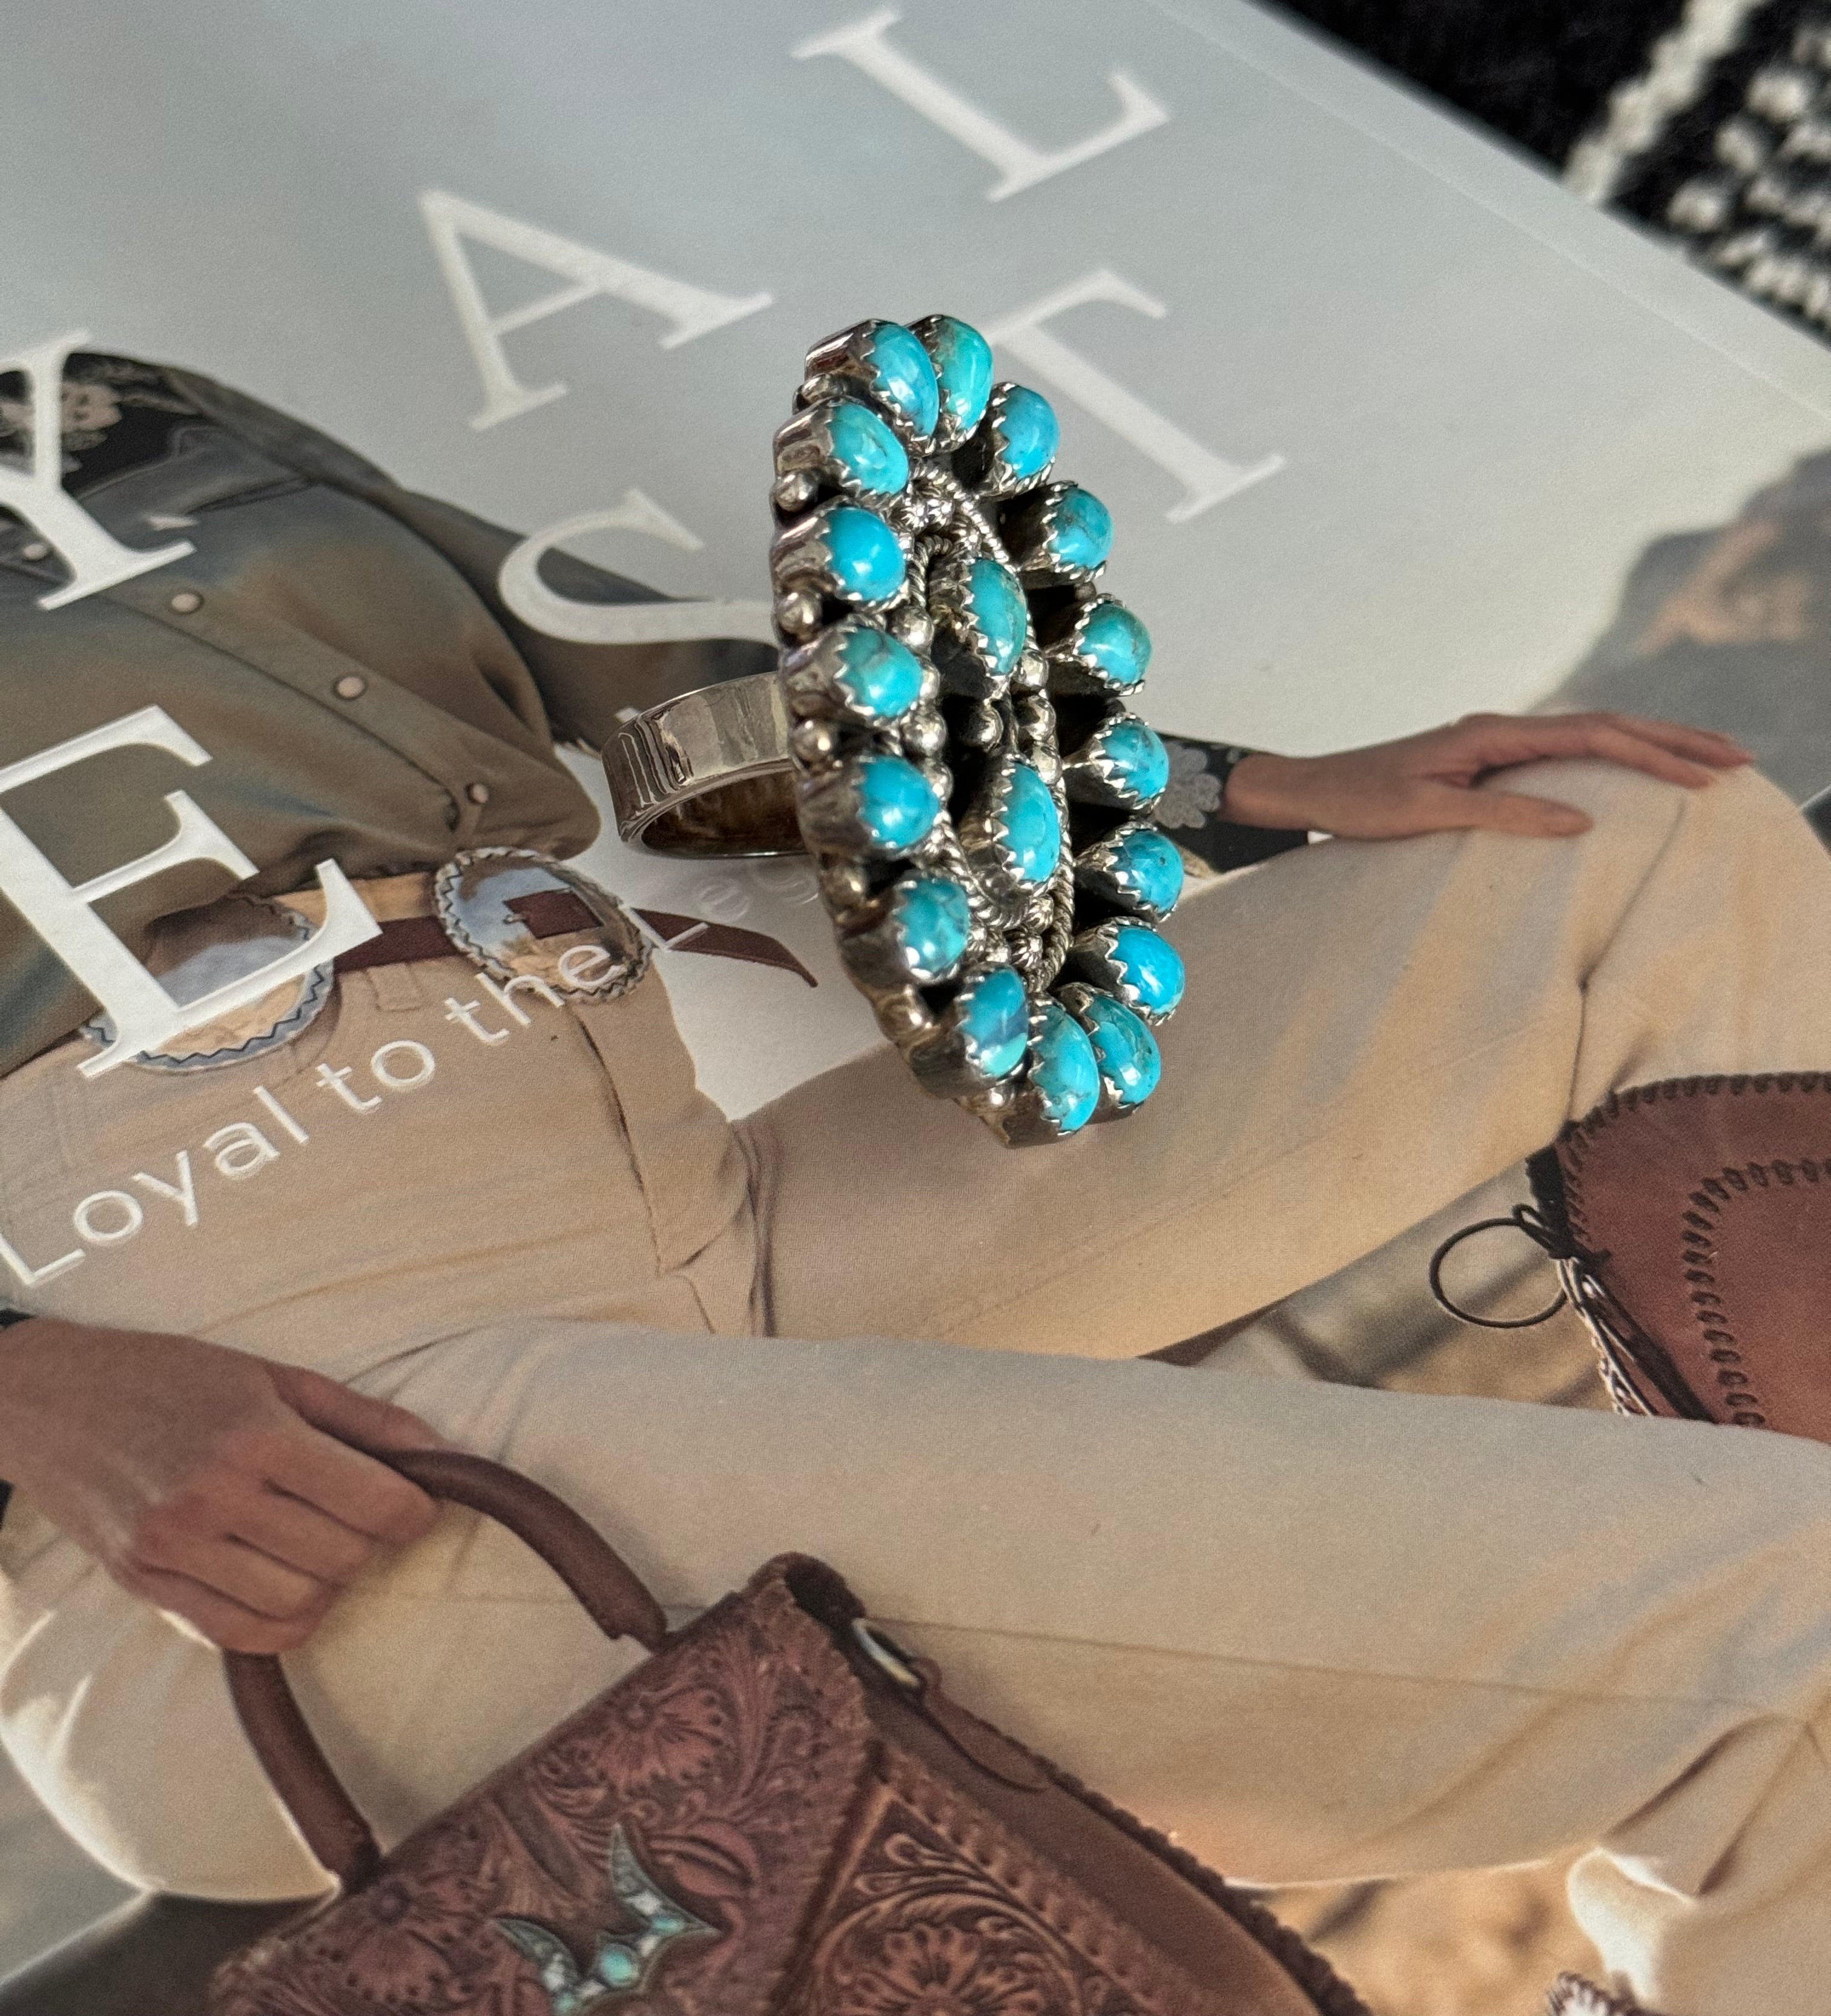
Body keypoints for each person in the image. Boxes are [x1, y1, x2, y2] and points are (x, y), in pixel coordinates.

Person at [2, 346, 1829, 2016]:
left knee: (1639, 848)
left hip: (650, 1195)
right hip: (284, 1432)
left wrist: (1238, 789)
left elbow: (678, 707)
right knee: (1802, 1635)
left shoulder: (100, 412)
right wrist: (39, 1389)